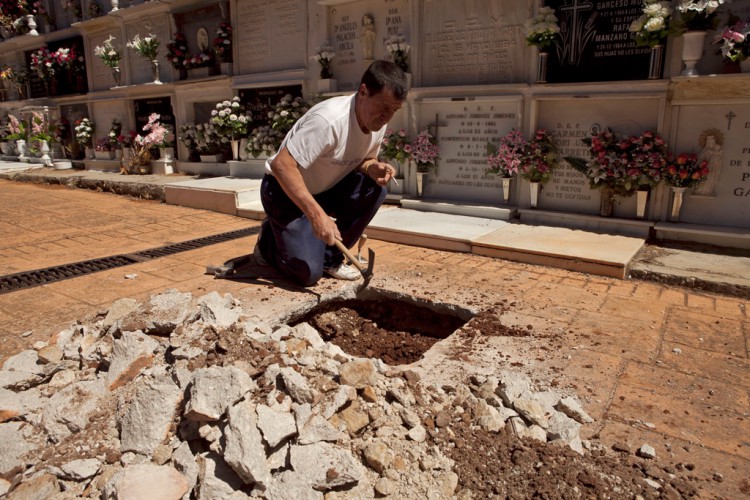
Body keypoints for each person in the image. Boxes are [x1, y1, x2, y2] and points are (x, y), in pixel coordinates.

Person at [254, 60, 408, 286]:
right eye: (383, 107)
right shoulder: (328, 121)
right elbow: (282, 165)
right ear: (363, 92)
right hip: (283, 192)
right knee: (307, 274)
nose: (387, 117)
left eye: (394, 110)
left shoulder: (377, 122)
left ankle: (329, 258)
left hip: (324, 188)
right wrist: (317, 216)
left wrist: (371, 166)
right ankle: (268, 243)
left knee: (375, 190)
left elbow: (363, 157)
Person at [692, 129, 723, 196]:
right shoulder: (705, 151)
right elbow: (699, 160)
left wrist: (715, 159)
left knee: (711, 179)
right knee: (703, 181)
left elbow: (718, 160)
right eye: (709, 142)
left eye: (712, 142)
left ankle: (708, 191)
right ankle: (700, 191)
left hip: (712, 169)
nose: (711, 144)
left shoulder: (716, 151)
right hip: (704, 169)